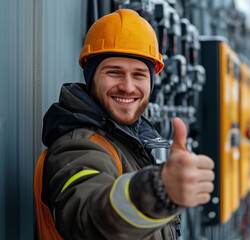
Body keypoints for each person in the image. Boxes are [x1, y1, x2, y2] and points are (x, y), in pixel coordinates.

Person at [34, 8, 214, 240]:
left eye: (139, 75)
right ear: (91, 77)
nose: (128, 86)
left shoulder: (127, 142)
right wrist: (157, 191)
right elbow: (90, 218)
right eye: (114, 72)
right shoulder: (79, 147)